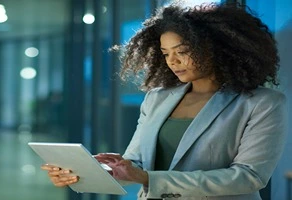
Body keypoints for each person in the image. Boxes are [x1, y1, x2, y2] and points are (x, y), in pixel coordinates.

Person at [41, 2, 287, 200]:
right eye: (166, 53)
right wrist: (86, 172)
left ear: (218, 48)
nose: (173, 62)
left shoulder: (262, 103)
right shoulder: (157, 98)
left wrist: (149, 179)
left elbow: (249, 176)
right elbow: (137, 164)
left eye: (182, 51)